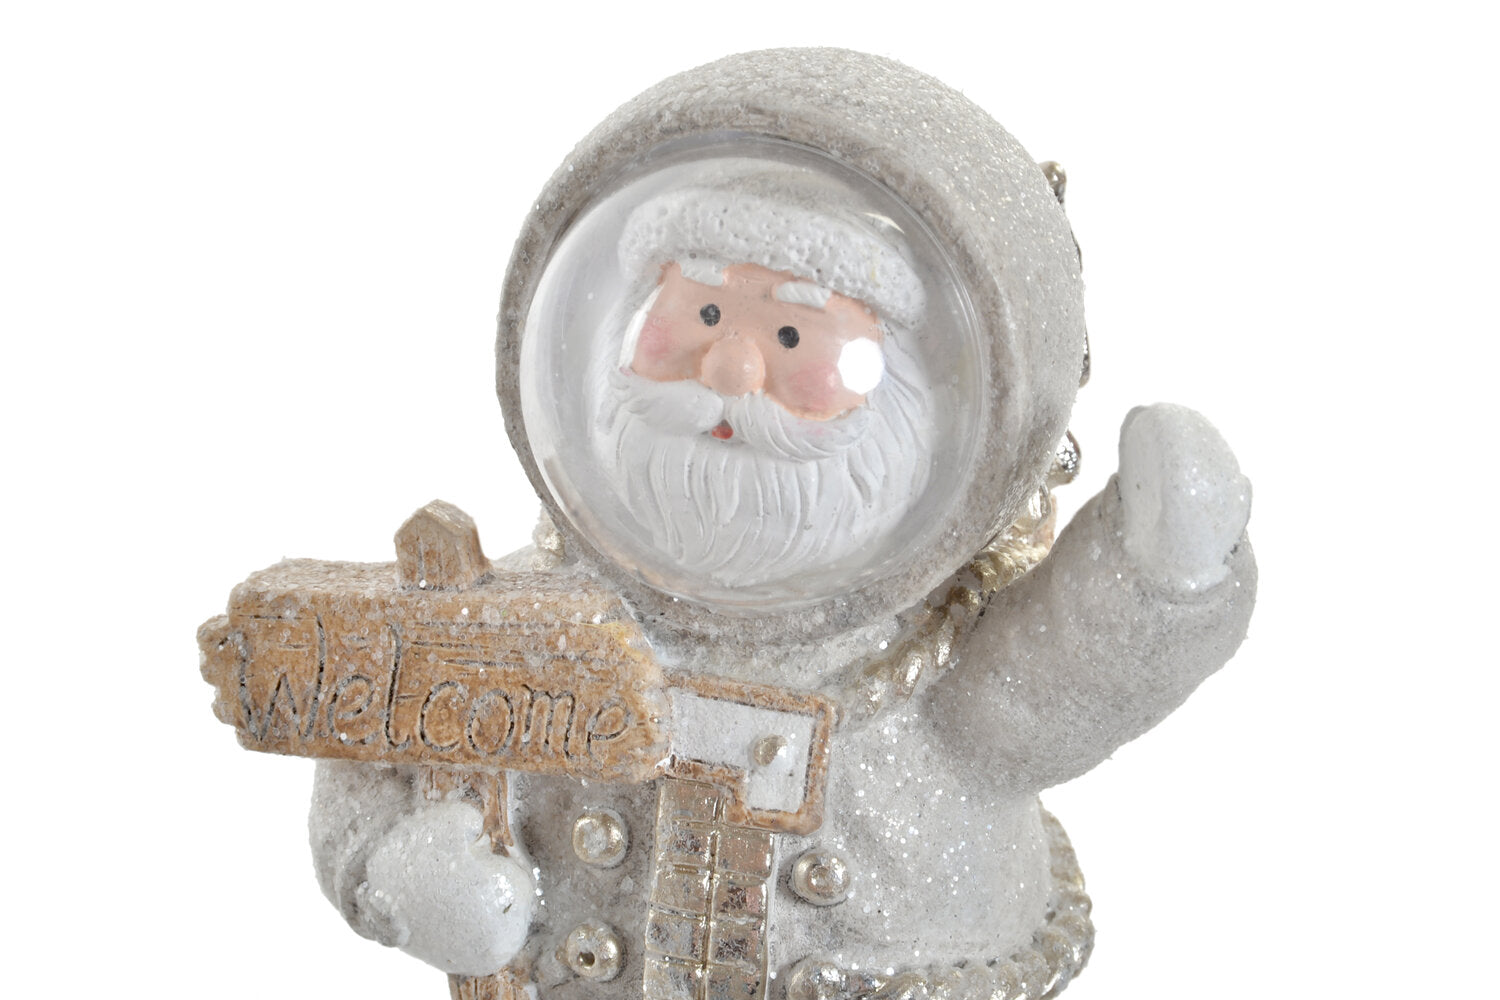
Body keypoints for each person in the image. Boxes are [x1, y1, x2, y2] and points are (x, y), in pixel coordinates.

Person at [309, 48, 1257, 1000]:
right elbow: (371, 718)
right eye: (702, 313)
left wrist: (1157, 583)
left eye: (794, 336)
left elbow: (1062, 686)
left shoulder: (932, 665)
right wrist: (402, 872)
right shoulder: (535, 624)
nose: (730, 371)